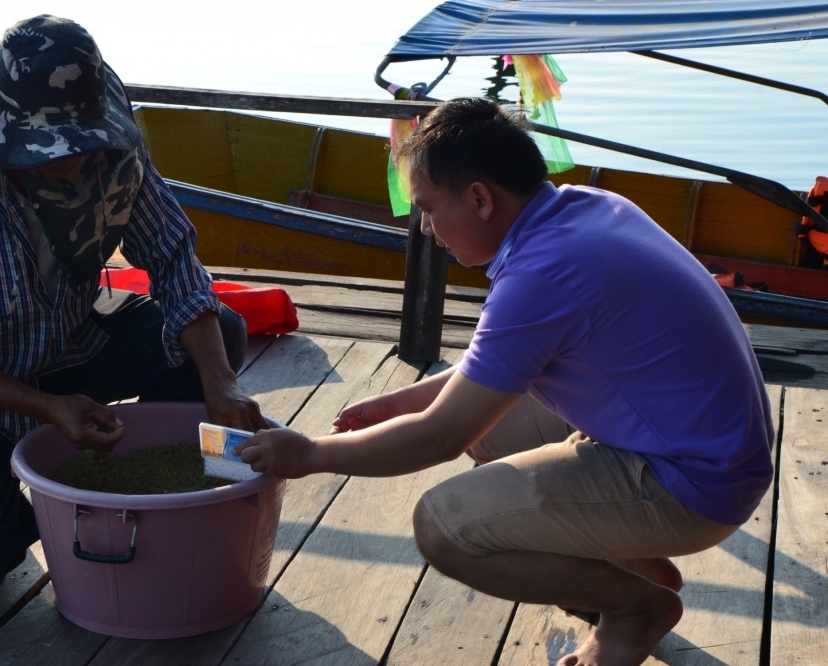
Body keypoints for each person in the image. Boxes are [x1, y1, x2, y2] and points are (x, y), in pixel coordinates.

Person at [238, 98, 774, 666]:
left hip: (694, 486)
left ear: (479, 198)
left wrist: (311, 453)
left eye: (426, 207)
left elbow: (435, 437)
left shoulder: (541, 277)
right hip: (700, 446)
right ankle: (632, 566)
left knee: (445, 527)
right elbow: (493, 372)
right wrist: (401, 400)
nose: (423, 226)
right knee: (485, 432)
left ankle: (635, 608)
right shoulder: (586, 210)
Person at [0, 15, 267, 602]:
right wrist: (45, 407)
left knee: (220, 333)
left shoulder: (115, 153)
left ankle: (162, 486)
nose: (77, 158)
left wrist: (221, 381)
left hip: (71, 346)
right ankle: (45, 493)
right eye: (53, 147)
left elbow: (176, 261)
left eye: (86, 139)